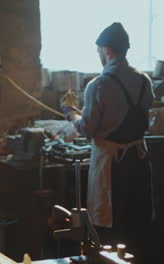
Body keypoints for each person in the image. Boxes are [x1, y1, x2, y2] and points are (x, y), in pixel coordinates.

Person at [62, 22, 155, 263]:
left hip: (112, 167)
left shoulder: (99, 85)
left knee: (111, 226)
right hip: (138, 161)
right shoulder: (144, 81)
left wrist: (71, 112)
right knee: (137, 223)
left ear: (107, 51)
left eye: (99, 52)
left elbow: (87, 129)